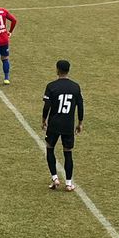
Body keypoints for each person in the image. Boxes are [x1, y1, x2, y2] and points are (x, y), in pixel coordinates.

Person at [42, 60, 84, 192]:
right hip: (68, 125)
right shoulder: (75, 87)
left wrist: (44, 120)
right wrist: (80, 123)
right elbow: (81, 106)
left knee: (50, 148)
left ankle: (55, 178)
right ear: (68, 70)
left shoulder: (51, 86)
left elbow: (47, 106)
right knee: (68, 152)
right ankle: (69, 183)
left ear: (57, 70)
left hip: (54, 124)